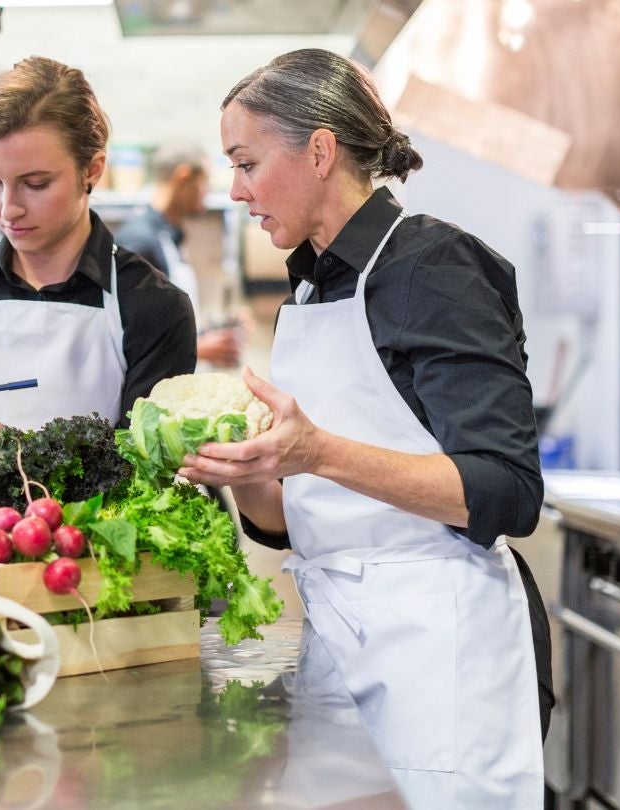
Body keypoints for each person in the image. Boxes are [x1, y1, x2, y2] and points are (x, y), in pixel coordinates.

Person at [181, 49, 551, 808]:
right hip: (340, 645)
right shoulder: (312, 285)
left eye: (247, 162)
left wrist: (316, 450)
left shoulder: (431, 266)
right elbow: (300, 522)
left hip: (444, 653)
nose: (235, 189)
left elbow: (505, 490)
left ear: (320, 151)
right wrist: (246, 472)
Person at [0, 56, 196, 481]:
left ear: (92, 170)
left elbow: (145, 483)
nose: (9, 208)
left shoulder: (154, 308)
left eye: (36, 184)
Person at [114, 145, 243, 368]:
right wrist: (199, 348)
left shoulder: (168, 234)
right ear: (183, 177)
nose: (206, 193)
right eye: (204, 183)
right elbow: (127, 334)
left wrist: (209, 333)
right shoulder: (139, 240)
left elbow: (162, 319)